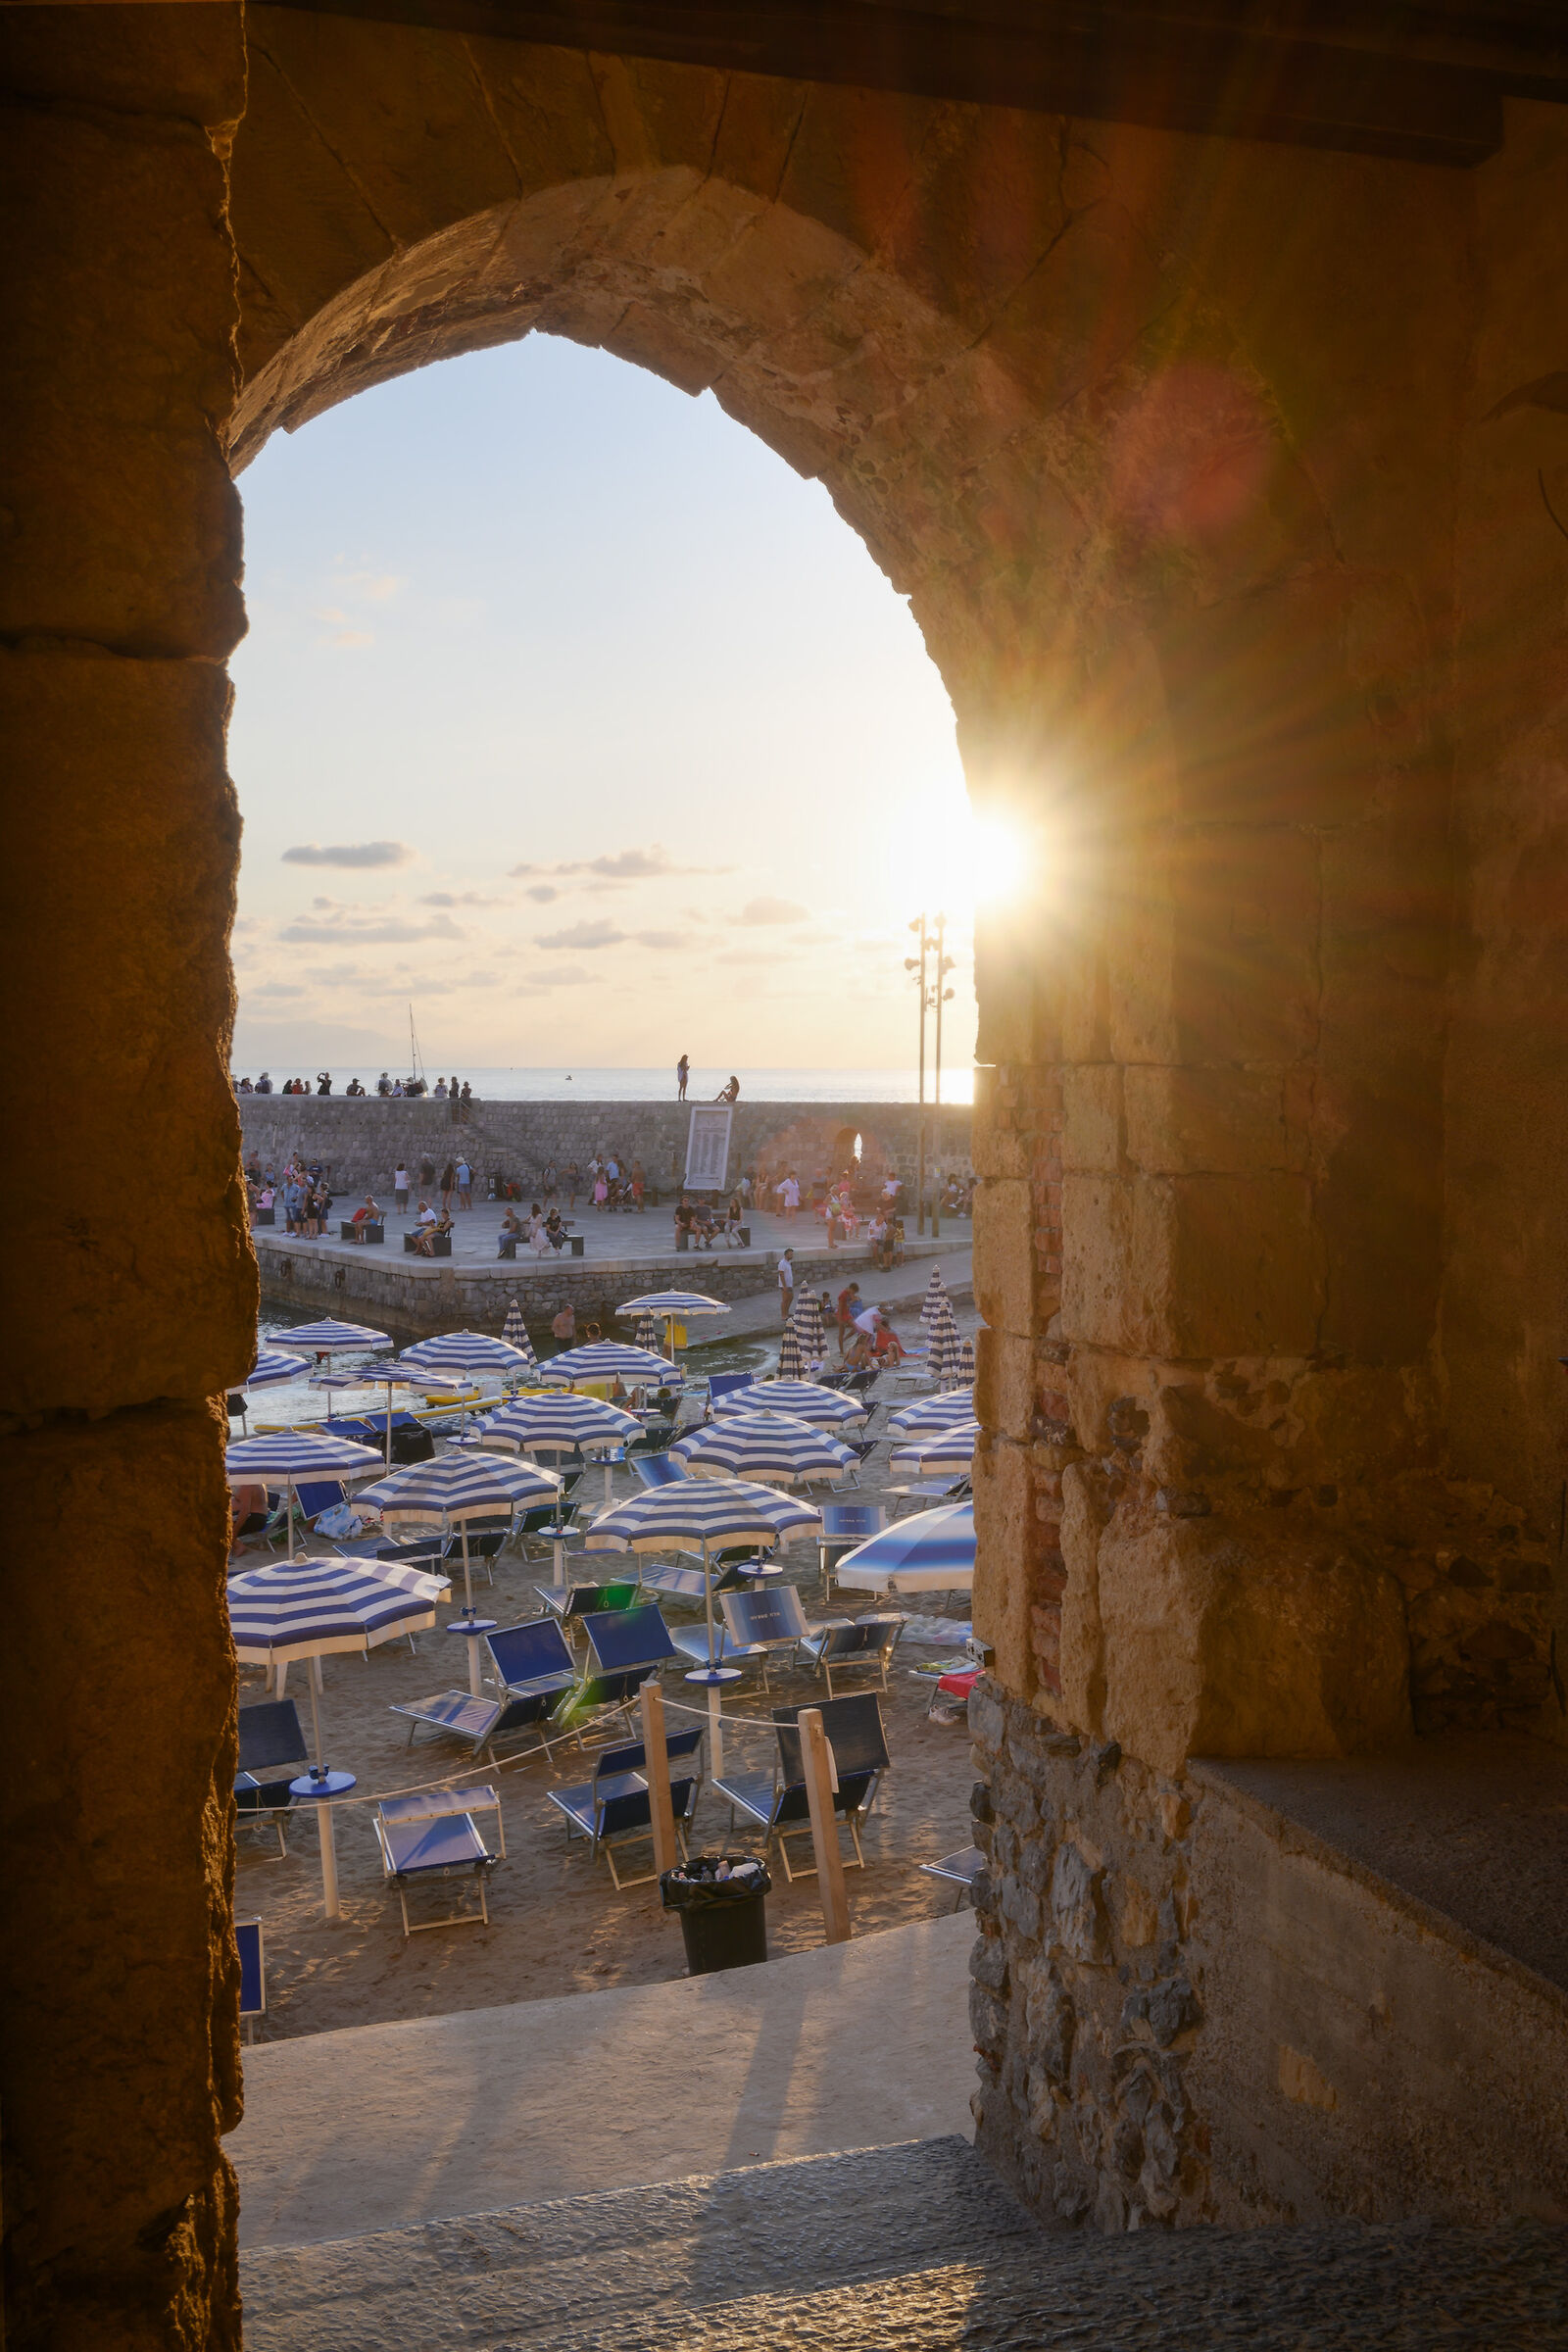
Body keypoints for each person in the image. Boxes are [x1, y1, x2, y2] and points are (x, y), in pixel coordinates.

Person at [836, 1281, 861, 1353]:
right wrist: (840, 1319)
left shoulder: (849, 1292)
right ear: (851, 1289)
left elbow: (851, 1300)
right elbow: (840, 1308)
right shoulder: (842, 1295)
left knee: (856, 1328)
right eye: (853, 1292)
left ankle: (845, 1339)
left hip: (847, 1313)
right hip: (841, 1314)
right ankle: (841, 1351)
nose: (853, 1293)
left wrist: (853, 1300)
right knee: (841, 1333)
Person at [777, 1246, 796, 1321]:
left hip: (789, 1285)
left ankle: (787, 1313)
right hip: (784, 1285)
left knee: (790, 1298)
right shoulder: (782, 1263)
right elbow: (781, 1274)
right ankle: (783, 1315)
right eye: (790, 1254)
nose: (792, 1256)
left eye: (792, 1254)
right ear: (786, 1254)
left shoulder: (788, 1263)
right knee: (785, 1300)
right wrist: (784, 1286)